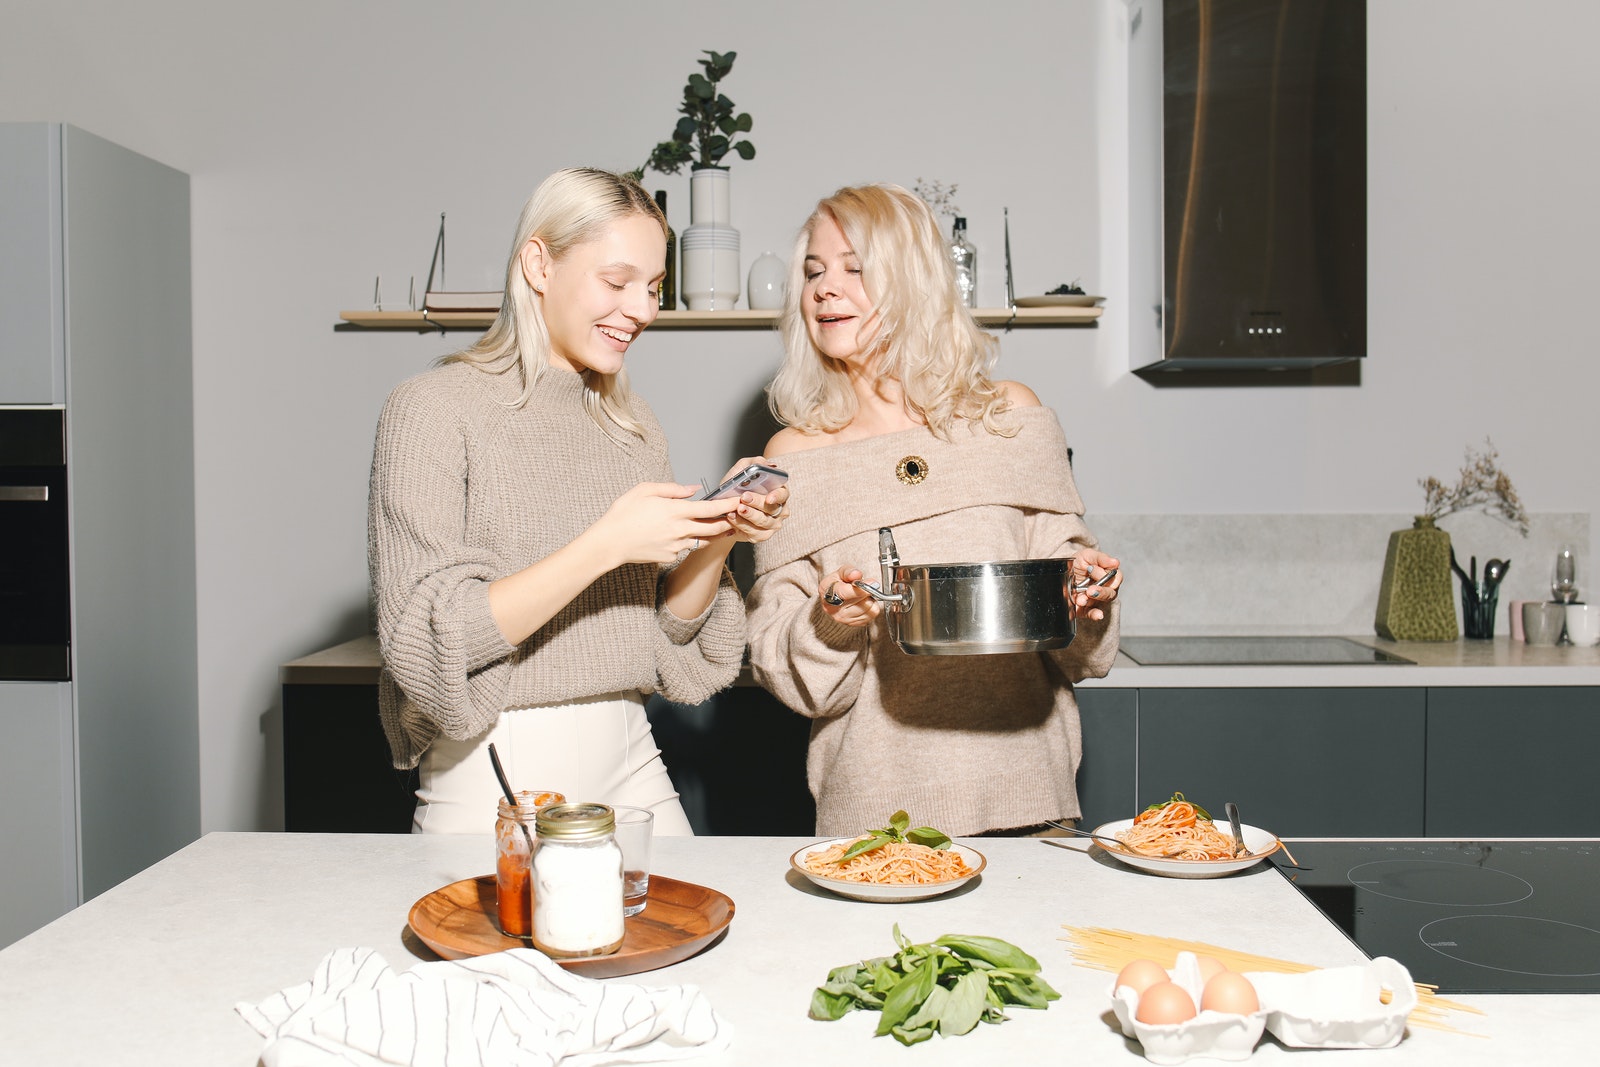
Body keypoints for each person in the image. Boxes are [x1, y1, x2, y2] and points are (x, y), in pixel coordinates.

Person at [368, 168, 788, 835]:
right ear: (538, 263)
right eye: (617, 282)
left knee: (704, 935)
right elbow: (425, 640)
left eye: (652, 288)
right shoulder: (431, 409)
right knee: (495, 946)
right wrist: (608, 543)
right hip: (495, 770)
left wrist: (720, 533)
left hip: (629, 755)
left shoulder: (633, 424)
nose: (643, 311)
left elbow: (662, 635)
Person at [745, 183, 1122, 838]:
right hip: (873, 826)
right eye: (813, 271)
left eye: (854, 268)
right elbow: (789, 675)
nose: (825, 289)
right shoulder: (793, 457)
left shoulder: (1012, 416)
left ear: (914, 279)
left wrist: (1088, 597)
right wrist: (830, 620)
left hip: (1029, 806)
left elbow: (1083, 652)